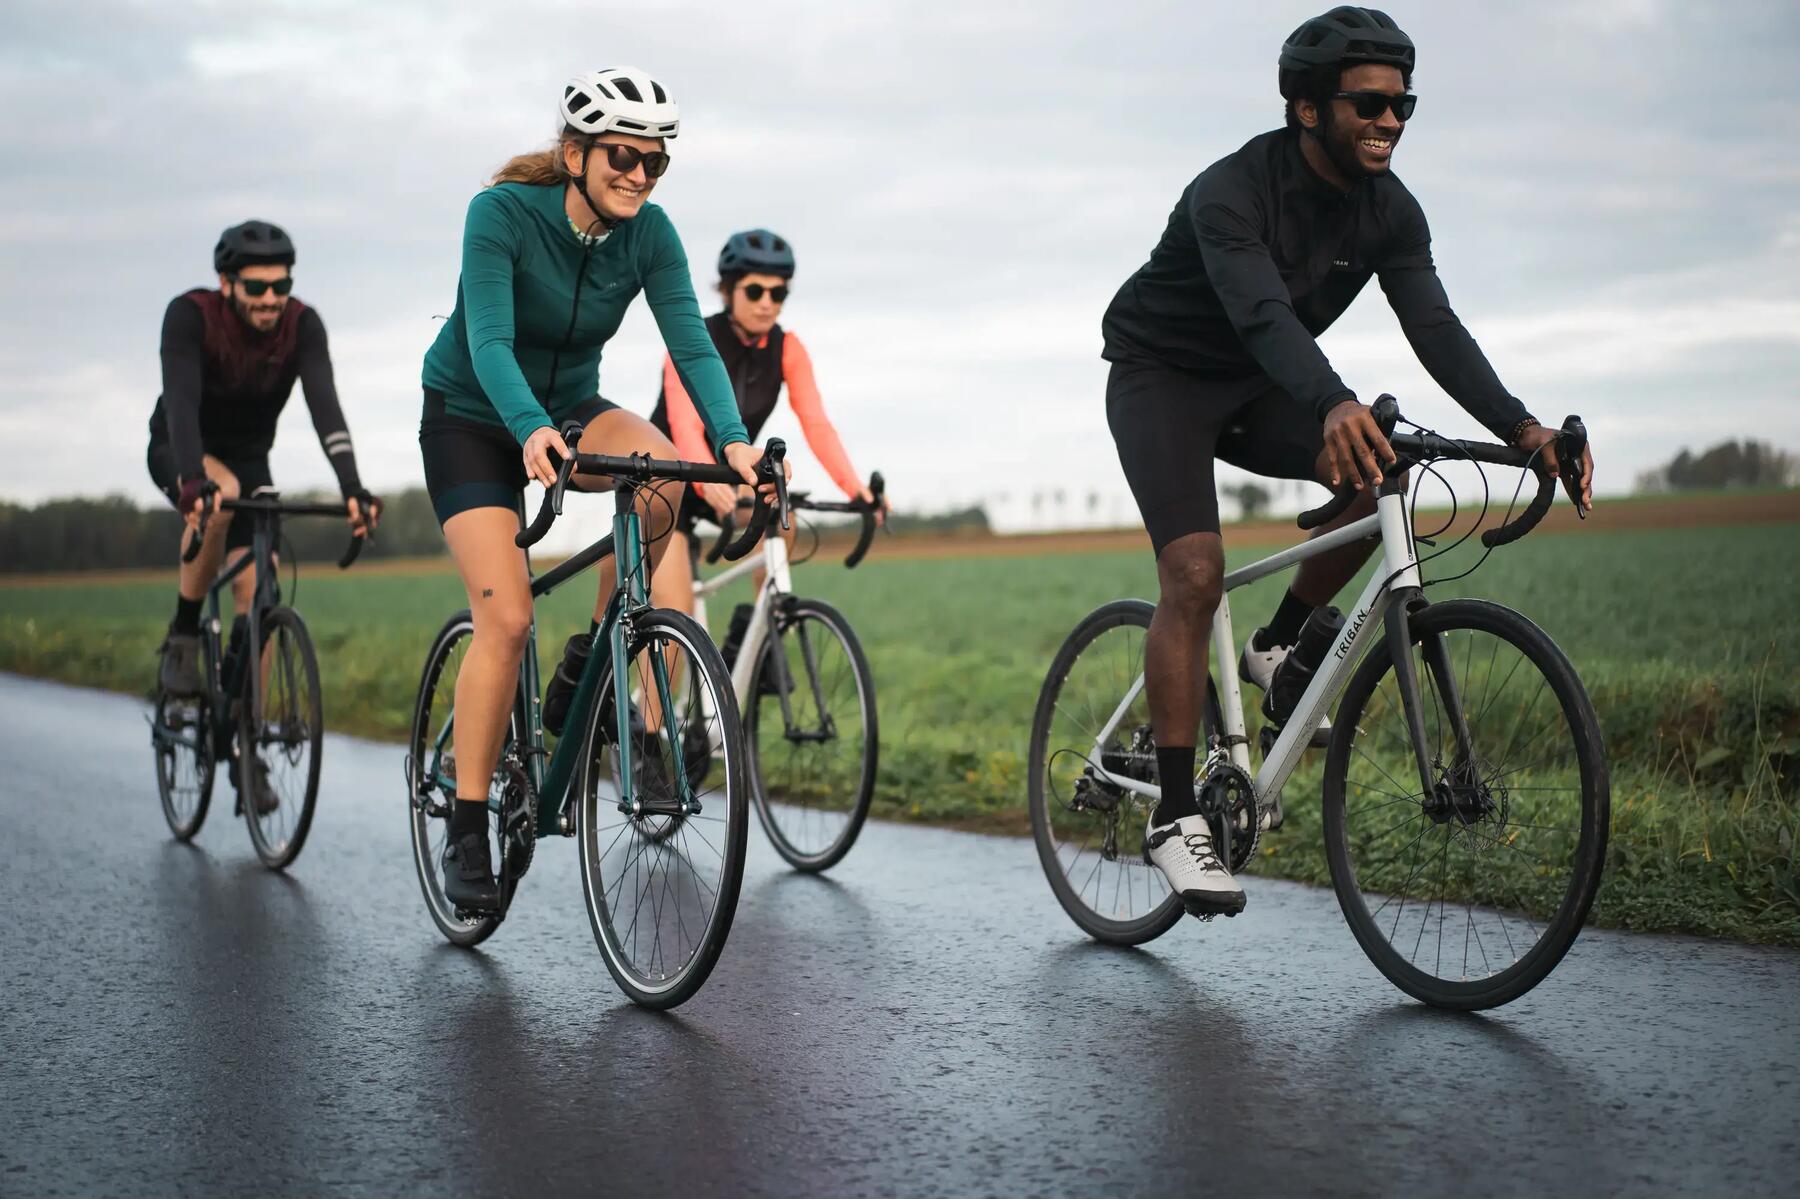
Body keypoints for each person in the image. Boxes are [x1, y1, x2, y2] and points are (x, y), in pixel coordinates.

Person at [1099, 7, 1595, 917]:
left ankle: (1280, 640)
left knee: (1380, 470)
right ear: (1307, 108)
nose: (1390, 121)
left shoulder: (1390, 211)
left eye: (1404, 104)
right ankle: (1175, 818)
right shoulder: (1232, 193)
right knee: (1195, 574)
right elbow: (1260, 313)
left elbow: (1435, 327)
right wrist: (1331, 401)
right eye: (1369, 103)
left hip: (1259, 382)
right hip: (1162, 378)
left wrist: (1525, 429)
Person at [418, 67, 774, 912]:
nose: (640, 177)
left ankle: (586, 669)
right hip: (472, 412)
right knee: (504, 617)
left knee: (658, 484)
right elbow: (491, 340)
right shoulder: (500, 214)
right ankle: (468, 823)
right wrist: (527, 427)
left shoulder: (650, 234)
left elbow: (693, 346)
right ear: (575, 152)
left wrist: (732, 445)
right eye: (623, 157)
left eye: (656, 164)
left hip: (573, 402)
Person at [150, 219, 380, 705]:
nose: (271, 298)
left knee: (261, 598)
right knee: (224, 495)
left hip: (252, 459)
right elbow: (182, 404)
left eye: (282, 285)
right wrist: (193, 479)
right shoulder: (191, 317)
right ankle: (184, 636)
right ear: (227, 284)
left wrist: (352, 488)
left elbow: (325, 407)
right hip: (181, 447)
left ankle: (248, 735)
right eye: (257, 287)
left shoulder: (302, 325)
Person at [635, 229, 884, 639]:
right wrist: (702, 478)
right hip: (670, 478)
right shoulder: (695, 339)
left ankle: (757, 634)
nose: (767, 303)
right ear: (728, 291)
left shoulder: (788, 348)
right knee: (677, 620)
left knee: (782, 518)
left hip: (730, 479)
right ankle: (655, 704)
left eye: (778, 294)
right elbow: (684, 425)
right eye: (754, 291)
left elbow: (817, 425)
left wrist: (857, 490)